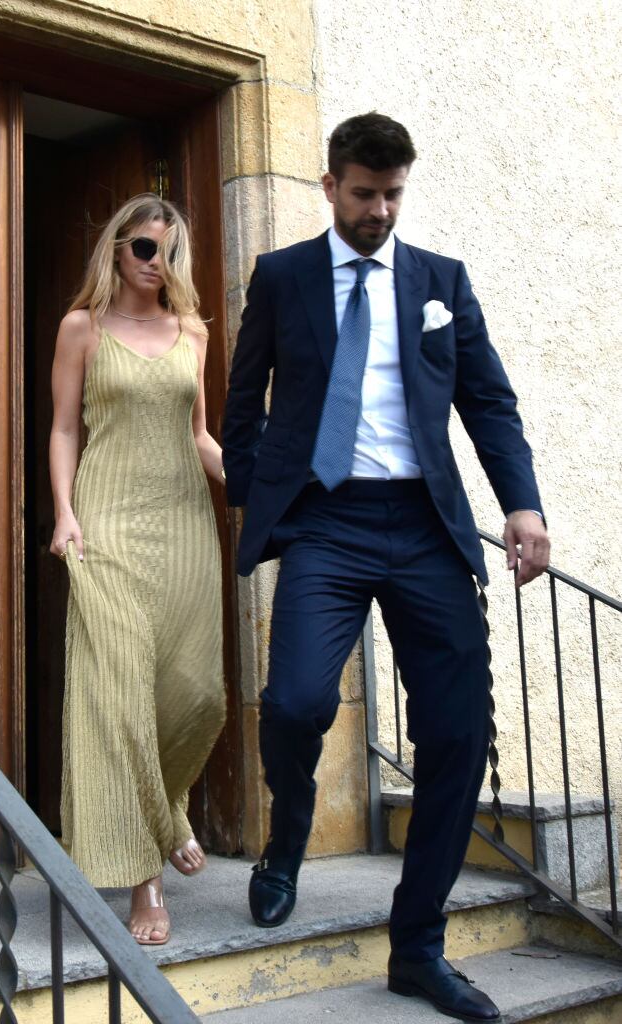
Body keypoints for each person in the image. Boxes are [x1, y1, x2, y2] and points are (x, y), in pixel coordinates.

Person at [222, 113, 550, 1021]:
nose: (378, 210)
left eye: (392, 195)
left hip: (423, 527)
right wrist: (256, 494)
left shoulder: (440, 282)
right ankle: (287, 834)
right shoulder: (283, 276)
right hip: (327, 523)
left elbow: (488, 401)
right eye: (363, 194)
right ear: (329, 185)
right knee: (294, 703)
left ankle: (416, 948)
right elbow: (243, 399)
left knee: (454, 735)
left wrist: (521, 504)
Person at [49, 194, 226, 946]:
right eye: (147, 249)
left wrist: (251, 485)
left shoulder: (192, 331)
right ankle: (145, 878)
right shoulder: (81, 328)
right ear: (117, 249)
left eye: (171, 253)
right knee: (118, 692)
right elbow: (63, 427)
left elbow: (200, 434)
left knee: (197, 693)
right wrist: (64, 513)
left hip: (185, 523)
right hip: (109, 522)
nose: (159, 265)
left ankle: (168, 808)